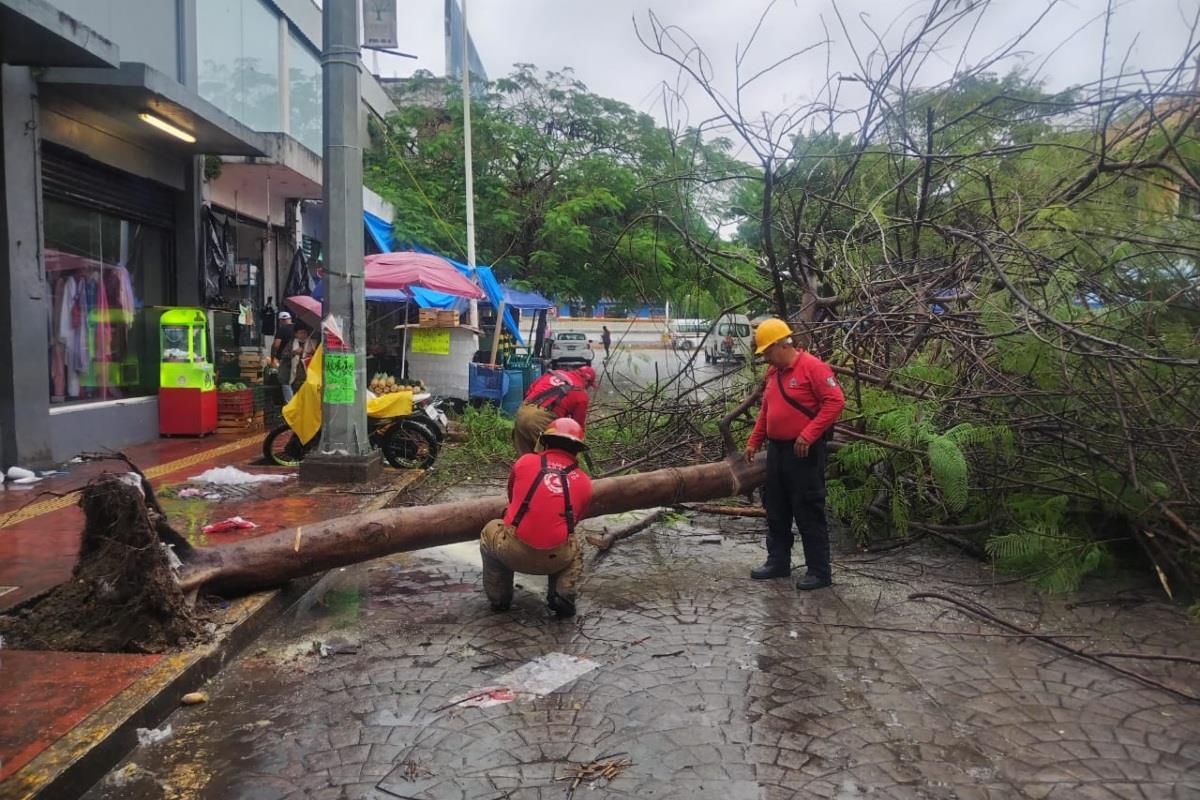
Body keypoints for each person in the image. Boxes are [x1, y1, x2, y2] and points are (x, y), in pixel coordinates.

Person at [744, 318, 845, 590]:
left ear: (780, 345)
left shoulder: (813, 367)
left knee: (808, 510)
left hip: (804, 453)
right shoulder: (773, 374)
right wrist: (755, 440)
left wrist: (809, 434)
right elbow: (767, 409)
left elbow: (836, 402)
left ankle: (819, 572)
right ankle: (778, 562)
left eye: (767, 352)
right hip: (777, 451)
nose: (765, 358)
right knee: (776, 508)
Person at [480, 418, 594, 618]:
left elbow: (512, 496)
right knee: (577, 539)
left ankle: (500, 599)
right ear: (577, 450)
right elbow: (573, 521)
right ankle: (563, 594)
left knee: (490, 529)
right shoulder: (585, 482)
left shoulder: (525, 462)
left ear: (545, 441)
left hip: (512, 551)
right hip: (557, 558)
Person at [513, 365, 596, 455]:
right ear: (587, 381)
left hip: (522, 412)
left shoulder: (554, 373)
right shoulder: (581, 395)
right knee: (549, 460)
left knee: (525, 459)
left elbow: (529, 391)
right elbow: (578, 426)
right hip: (540, 420)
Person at [272, 311, 296, 401]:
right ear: (290, 319)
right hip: (298, 358)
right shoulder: (296, 328)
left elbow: (276, 345)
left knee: (285, 380)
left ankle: (290, 404)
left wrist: (273, 355)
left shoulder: (282, 329)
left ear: (280, 321)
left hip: (286, 359)